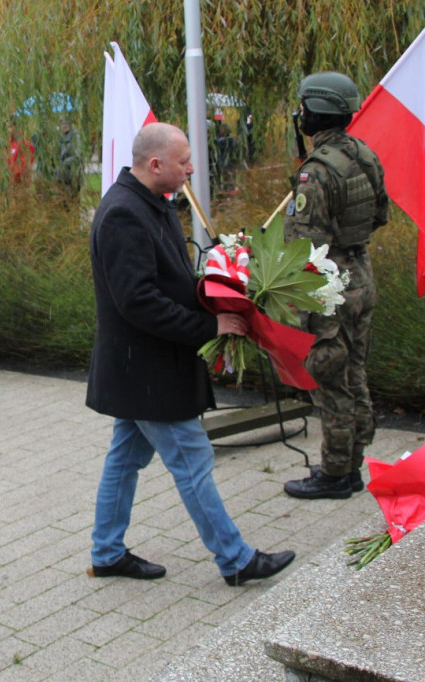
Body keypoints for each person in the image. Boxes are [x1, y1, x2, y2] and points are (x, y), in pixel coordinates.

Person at [86, 122, 295, 586]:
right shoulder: (124, 213)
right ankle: (236, 560)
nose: (191, 169)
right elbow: (137, 301)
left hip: (142, 368)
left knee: (124, 459)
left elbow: (167, 278)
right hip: (146, 371)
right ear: (155, 164)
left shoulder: (149, 203)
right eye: (183, 162)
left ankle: (106, 551)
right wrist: (210, 325)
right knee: (193, 459)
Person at [281, 72, 390, 500]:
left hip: (331, 286)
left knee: (333, 379)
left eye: (303, 108)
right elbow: (380, 215)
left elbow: (304, 246)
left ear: (315, 111)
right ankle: (354, 463)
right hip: (360, 274)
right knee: (356, 373)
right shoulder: (364, 154)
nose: (300, 114)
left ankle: (335, 474)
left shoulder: (316, 173)